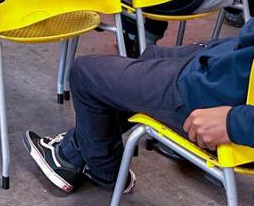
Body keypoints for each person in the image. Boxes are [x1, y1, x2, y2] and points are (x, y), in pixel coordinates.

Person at [24, 19, 254, 196]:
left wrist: (233, 122)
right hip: (228, 62)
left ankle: (97, 168)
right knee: (150, 56)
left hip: (215, 97)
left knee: (84, 73)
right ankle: (75, 149)